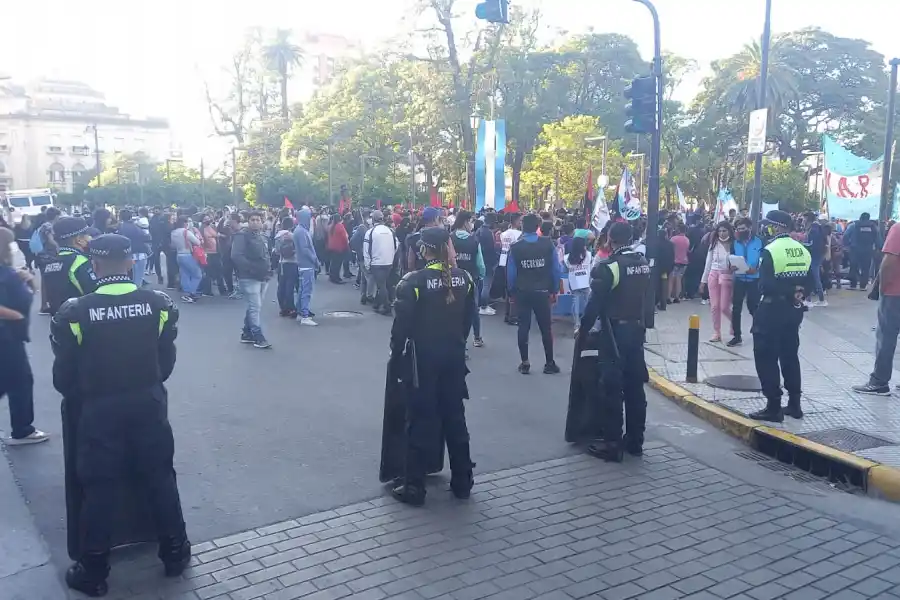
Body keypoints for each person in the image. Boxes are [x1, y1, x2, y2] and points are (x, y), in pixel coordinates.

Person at [50, 234, 190, 597]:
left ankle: (94, 570)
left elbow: (63, 377)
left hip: (99, 408)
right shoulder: (158, 303)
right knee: (160, 475)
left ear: (94, 266)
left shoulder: (75, 312)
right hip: (148, 402)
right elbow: (166, 360)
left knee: (99, 485)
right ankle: (175, 553)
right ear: (130, 263)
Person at [389, 227, 475, 506]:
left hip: (422, 361)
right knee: (455, 417)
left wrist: (396, 355)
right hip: (454, 358)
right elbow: (467, 321)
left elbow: (401, 329)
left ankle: (414, 487)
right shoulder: (465, 278)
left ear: (424, 250)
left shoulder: (413, 282)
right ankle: (463, 481)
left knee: (420, 420)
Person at [579, 222, 650, 462]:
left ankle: (612, 443)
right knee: (635, 387)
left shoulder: (609, 267)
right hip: (636, 331)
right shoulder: (642, 262)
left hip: (614, 333)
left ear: (610, 239)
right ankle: (635, 441)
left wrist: (584, 330)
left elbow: (594, 304)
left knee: (611, 388)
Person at [749, 210, 811, 423]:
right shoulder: (802, 249)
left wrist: (786, 291)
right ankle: (794, 404)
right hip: (794, 311)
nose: (765, 229)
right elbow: (811, 281)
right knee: (790, 356)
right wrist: (797, 293)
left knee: (766, 356)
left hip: (771, 310)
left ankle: (773, 406)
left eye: (768, 225)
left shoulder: (770, 250)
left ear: (778, 227)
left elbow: (765, 285)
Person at [0, 227, 48, 445]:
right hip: (6, 335)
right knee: (19, 380)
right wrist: (15, 315)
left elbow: (32, 291)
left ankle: (22, 428)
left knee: (12, 380)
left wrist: (27, 278)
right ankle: (22, 429)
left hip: (13, 335)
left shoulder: (8, 271)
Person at [507, 213, 562, 375]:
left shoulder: (515, 248)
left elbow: (511, 274)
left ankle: (525, 363)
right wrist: (554, 290)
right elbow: (555, 269)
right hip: (543, 291)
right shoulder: (547, 244)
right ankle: (549, 362)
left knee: (523, 327)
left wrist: (511, 292)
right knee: (546, 328)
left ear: (522, 227)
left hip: (522, 291)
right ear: (538, 226)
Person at [853, 219, 900, 395]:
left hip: (895, 293)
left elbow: (889, 261)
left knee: (886, 337)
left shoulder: (898, 229)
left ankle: (879, 381)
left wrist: (881, 287)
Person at [232, 211, 273, 348]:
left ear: (262, 222)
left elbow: (265, 255)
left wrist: (268, 270)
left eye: (258, 220)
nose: (255, 222)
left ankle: (247, 333)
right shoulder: (242, 236)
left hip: (263, 276)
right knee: (255, 306)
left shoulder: (261, 236)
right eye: (252, 220)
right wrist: (251, 269)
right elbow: (236, 255)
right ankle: (258, 336)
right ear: (248, 221)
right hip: (249, 277)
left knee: (254, 306)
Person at [43, 217, 98, 315]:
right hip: (80, 318)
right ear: (79, 240)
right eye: (87, 235)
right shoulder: (80, 262)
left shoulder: (50, 263)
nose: (90, 237)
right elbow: (94, 294)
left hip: (59, 319)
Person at [450, 210, 485, 349]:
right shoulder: (474, 240)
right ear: (465, 222)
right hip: (471, 279)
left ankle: (456, 340)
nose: (472, 224)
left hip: (453, 278)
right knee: (472, 309)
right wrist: (481, 275)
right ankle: (477, 337)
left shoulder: (450, 237)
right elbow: (480, 264)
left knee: (454, 309)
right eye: (471, 221)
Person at [728, 217, 763, 347]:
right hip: (739, 279)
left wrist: (756, 269)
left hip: (755, 279)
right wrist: (731, 266)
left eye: (743, 228)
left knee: (753, 306)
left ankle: (758, 330)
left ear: (749, 228)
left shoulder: (760, 241)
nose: (740, 231)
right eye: (738, 229)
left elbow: (763, 258)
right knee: (736, 308)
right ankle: (737, 335)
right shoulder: (735, 243)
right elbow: (731, 257)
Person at [700, 221, 735, 343]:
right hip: (713, 274)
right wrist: (703, 281)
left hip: (727, 276)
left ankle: (734, 323)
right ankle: (716, 332)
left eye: (724, 230)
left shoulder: (734, 244)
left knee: (724, 307)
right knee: (714, 306)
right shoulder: (713, 244)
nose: (722, 233)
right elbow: (708, 263)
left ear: (729, 231)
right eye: (719, 231)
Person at [364, 210, 399, 316]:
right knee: (383, 283)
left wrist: (367, 264)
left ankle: (387, 307)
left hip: (376, 263)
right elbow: (396, 245)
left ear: (373, 219)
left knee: (381, 286)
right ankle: (377, 304)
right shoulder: (390, 231)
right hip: (388, 262)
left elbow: (366, 250)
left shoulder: (370, 232)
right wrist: (390, 255)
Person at [293, 208, 319, 326]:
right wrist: (315, 260)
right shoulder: (302, 232)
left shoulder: (299, 230)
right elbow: (306, 249)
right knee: (306, 291)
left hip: (303, 264)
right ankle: (305, 315)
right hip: (307, 265)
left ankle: (300, 312)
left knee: (302, 290)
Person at [564, 236, 593, 337]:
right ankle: (588, 324)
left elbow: (566, 268)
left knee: (575, 303)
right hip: (586, 282)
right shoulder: (589, 255)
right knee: (588, 304)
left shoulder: (567, 257)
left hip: (574, 283)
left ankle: (577, 325)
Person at [171, 215, 203, 303]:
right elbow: (197, 242)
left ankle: (186, 293)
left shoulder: (173, 232)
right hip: (187, 255)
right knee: (197, 275)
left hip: (179, 255)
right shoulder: (186, 232)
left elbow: (173, 245)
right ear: (185, 223)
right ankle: (192, 293)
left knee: (185, 274)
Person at [844, 211, 879, 291]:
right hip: (868, 250)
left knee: (854, 266)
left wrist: (847, 245)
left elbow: (846, 235)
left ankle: (853, 285)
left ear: (860, 217)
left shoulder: (854, 225)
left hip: (855, 249)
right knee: (865, 268)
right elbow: (877, 238)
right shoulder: (873, 226)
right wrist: (877, 248)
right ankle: (863, 286)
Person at [498, 213, 522, 325]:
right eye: (520, 221)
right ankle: (513, 316)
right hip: (513, 261)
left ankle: (508, 314)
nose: (521, 223)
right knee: (514, 288)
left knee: (508, 288)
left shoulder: (503, 234)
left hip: (503, 259)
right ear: (516, 221)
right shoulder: (519, 234)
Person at [274, 216, 299, 317]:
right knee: (290, 286)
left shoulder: (278, 236)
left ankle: (283, 308)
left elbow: (276, 251)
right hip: (292, 262)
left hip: (281, 263)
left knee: (281, 286)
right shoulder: (292, 236)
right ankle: (291, 308)